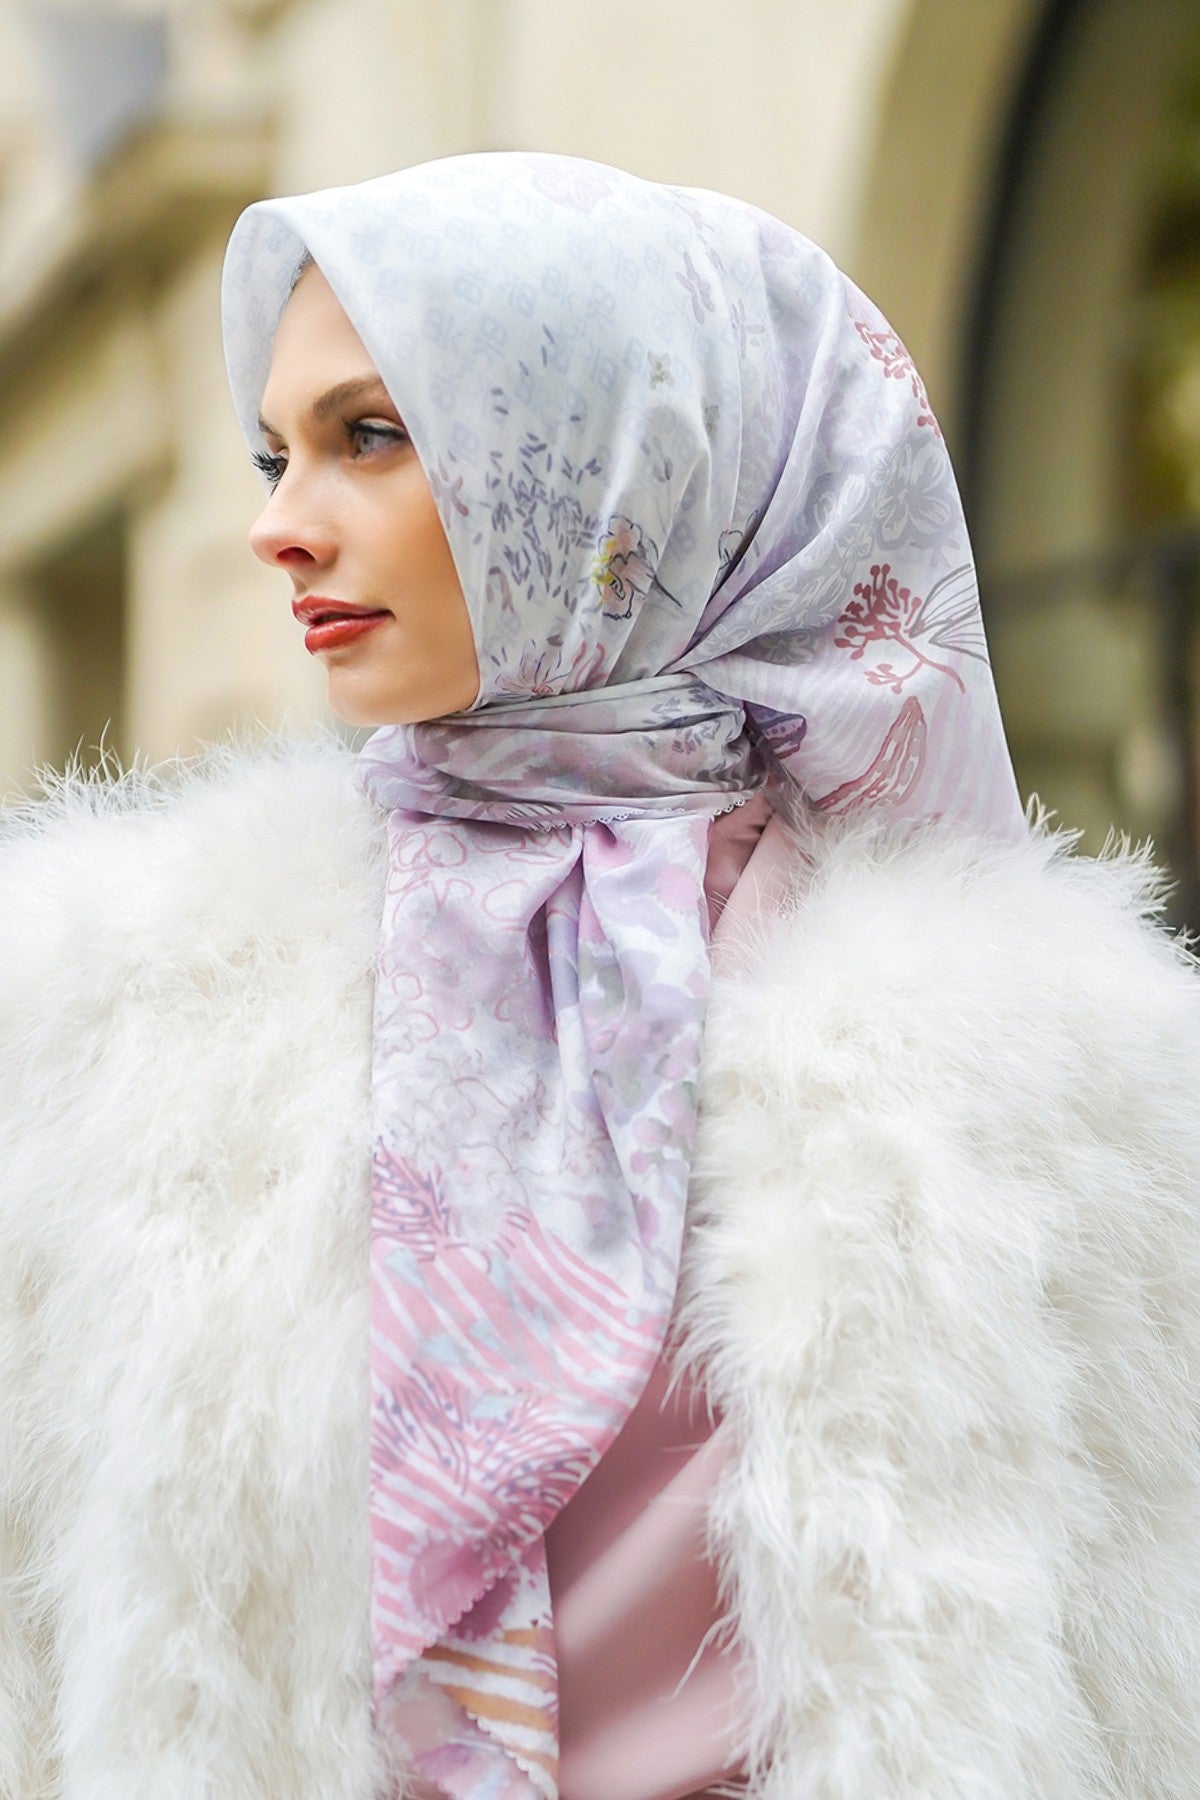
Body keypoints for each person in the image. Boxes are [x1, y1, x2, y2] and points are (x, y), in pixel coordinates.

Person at [3, 150, 1200, 1800]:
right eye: (277, 453)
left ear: (631, 451)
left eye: (371, 434)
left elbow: (1134, 1684)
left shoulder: (1030, 1067)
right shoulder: (134, 1001)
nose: (277, 526)